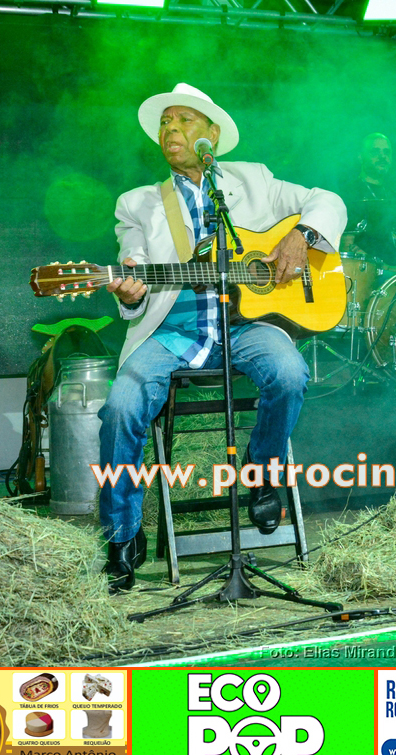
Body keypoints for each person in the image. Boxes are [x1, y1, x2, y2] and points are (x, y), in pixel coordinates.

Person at [98, 83, 346, 593]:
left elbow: (329, 201)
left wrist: (301, 237)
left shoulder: (254, 180)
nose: (171, 130)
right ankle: (122, 534)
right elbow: (135, 275)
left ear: (211, 133)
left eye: (184, 120)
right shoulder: (137, 204)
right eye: (165, 122)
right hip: (175, 332)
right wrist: (129, 290)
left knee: (289, 373)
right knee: (121, 406)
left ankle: (261, 471)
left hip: (247, 327)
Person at [340, 133, 396, 268]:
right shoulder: (350, 193)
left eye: (386, 152)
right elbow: (347, 244)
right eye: (375, 152)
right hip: (367, 274)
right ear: (360, 157)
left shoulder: (393, 195)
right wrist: (386, 268)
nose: (382, 156)